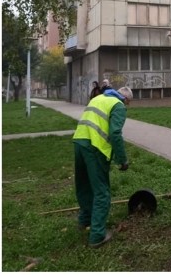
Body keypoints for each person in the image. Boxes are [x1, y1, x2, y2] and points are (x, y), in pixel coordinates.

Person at [73, 85, 133, 248]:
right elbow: (114, 133)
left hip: (79, 142)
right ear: (126, 99)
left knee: (84, 186)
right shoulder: (118, 105)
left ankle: (84, 221)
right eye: (129, 103)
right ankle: (97, 235)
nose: (127, 106)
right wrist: (122, 160)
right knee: (102, 192)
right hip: (95, 148)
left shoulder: (98, 98)